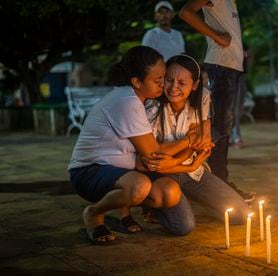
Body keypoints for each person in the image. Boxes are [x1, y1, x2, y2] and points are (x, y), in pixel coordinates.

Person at [68, 46, 196, 245]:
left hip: (123, 170)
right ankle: (93, 214)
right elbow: (154, 153)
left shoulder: (137, 98)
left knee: (169, 191)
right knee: (139, 186)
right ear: (137, 81)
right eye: (158, 80)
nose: (164, 85)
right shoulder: (126, 101)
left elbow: (148, 154)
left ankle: (124, 210)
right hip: (89, 171)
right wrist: (190, 140)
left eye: (163, 77)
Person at [143, 54, 250, 224]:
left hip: (193, 172)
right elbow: (154, 155)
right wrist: (188, 141)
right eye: (169, 80)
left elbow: (202, 143)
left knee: (241, 215)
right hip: (162, 176)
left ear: (195, 85)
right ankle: (154, 202)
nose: (173, 88)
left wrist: (183, 162)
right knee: (183, 225)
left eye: (182, 83)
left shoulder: (203, 97)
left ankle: (192, 198)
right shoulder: (153, 106)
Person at [179, 0, 256, 202]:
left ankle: (217, 184)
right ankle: (217, 186)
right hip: (221, 66)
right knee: (219, 130)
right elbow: (186, 12)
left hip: (229, 68)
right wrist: (216, 37)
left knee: (223, 129)